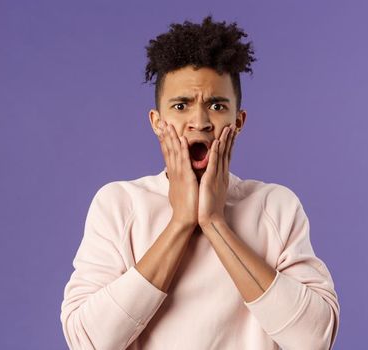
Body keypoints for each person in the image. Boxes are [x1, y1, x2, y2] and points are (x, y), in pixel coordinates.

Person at [60, 15, 340, 350]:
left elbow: (313, 339)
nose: (200, 122)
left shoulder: (275, 205)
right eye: (181, 105)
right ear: (157, 122)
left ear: (238, 122)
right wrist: (180, 222)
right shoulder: (119, 204)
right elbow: (88, 341)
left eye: (217, 105)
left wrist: (214, 222)